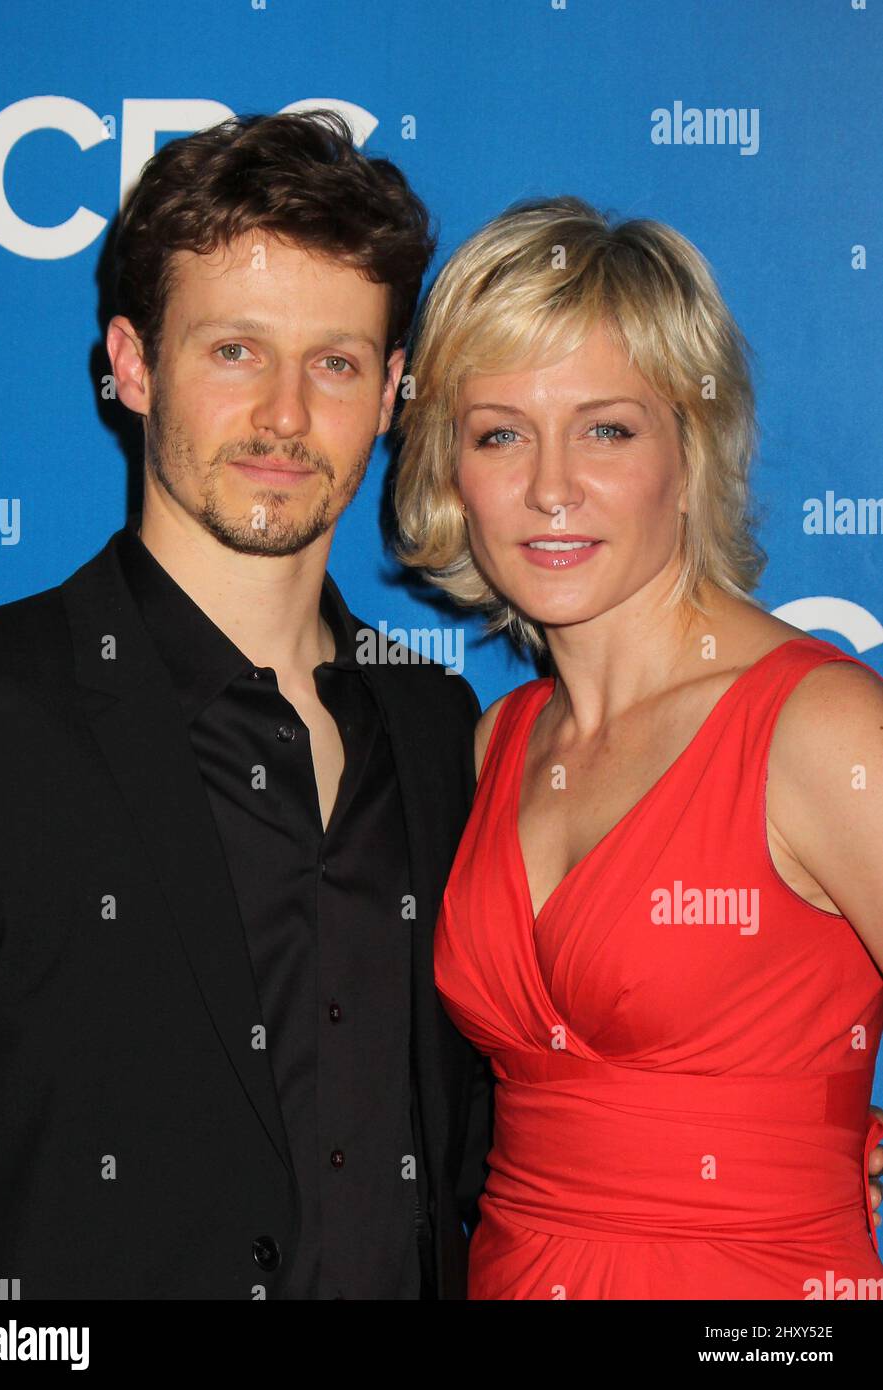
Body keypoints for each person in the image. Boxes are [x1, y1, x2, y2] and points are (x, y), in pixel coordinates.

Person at [0, 110, 493, 1300]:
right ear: (133, 364)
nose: (287, 416)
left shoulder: (441, 726)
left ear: (394, 391)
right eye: (234, 351)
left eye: (336, 363)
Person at [394, 195, 883, 1299]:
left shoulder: (819, 729)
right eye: (500, 432)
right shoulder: (500, 742)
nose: (551, 485)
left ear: (690, 448)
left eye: (606, 427)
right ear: (450, 468)